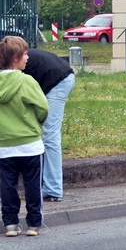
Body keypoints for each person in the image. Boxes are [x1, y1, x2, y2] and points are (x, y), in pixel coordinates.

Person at [0, 36, 49, 237]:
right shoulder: (27, 81)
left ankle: (10, 224)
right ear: (17, 57)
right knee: (32, 184)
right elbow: (43, 107)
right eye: (26, 54)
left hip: (4, 143)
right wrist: (37, 123)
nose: (28, 57)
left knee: (7, 186)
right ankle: (33, 224)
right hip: (29, 143)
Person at [23, 48, 75, 202]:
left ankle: (53, 189)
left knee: (50, 134)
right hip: (53, 77)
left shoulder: (6, 58)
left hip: (58, 81)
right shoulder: (8, 53)